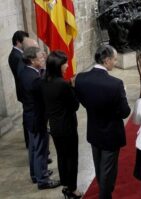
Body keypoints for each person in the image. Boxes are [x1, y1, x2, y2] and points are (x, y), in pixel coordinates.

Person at [75, 44, 131, 199]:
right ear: (106, 60)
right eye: (114, 59)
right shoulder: (116, 84)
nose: (115, 62)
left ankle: (104, 192)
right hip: (111, 134)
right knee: (108, 171)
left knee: (99, 167)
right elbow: (125, 112)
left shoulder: (80, 79)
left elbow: (82, 101)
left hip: (94, 131)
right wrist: (123, 95)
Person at [39, 51, 81, 198]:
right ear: (58, 66)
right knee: (72, 158)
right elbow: (75, 106)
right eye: (65, 63)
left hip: (55, 126)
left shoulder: (43, 81)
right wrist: (74, 87)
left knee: (62, 157)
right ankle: (73, 189)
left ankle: (65, 184)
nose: (67, 65)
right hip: (68, 127)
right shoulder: (63, 85)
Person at [19, 46, 60, 189]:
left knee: (33, 148)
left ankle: (35, 174)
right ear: (32, 60)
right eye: (40, 57)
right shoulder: (34, 78)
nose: (43, 59)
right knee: (41, 150)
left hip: (29, 116)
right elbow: (44, 93)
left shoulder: (25, 72)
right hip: (37, 118)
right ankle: (43, 179)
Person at [8, 30, 29, 148]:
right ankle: (29, 141)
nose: (26, 43)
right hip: (24, 91)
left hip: (23, 91)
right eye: (24, 41)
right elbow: (22, 75)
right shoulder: (16, 56)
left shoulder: (19, 54)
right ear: (18, 42)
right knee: (28, 117)